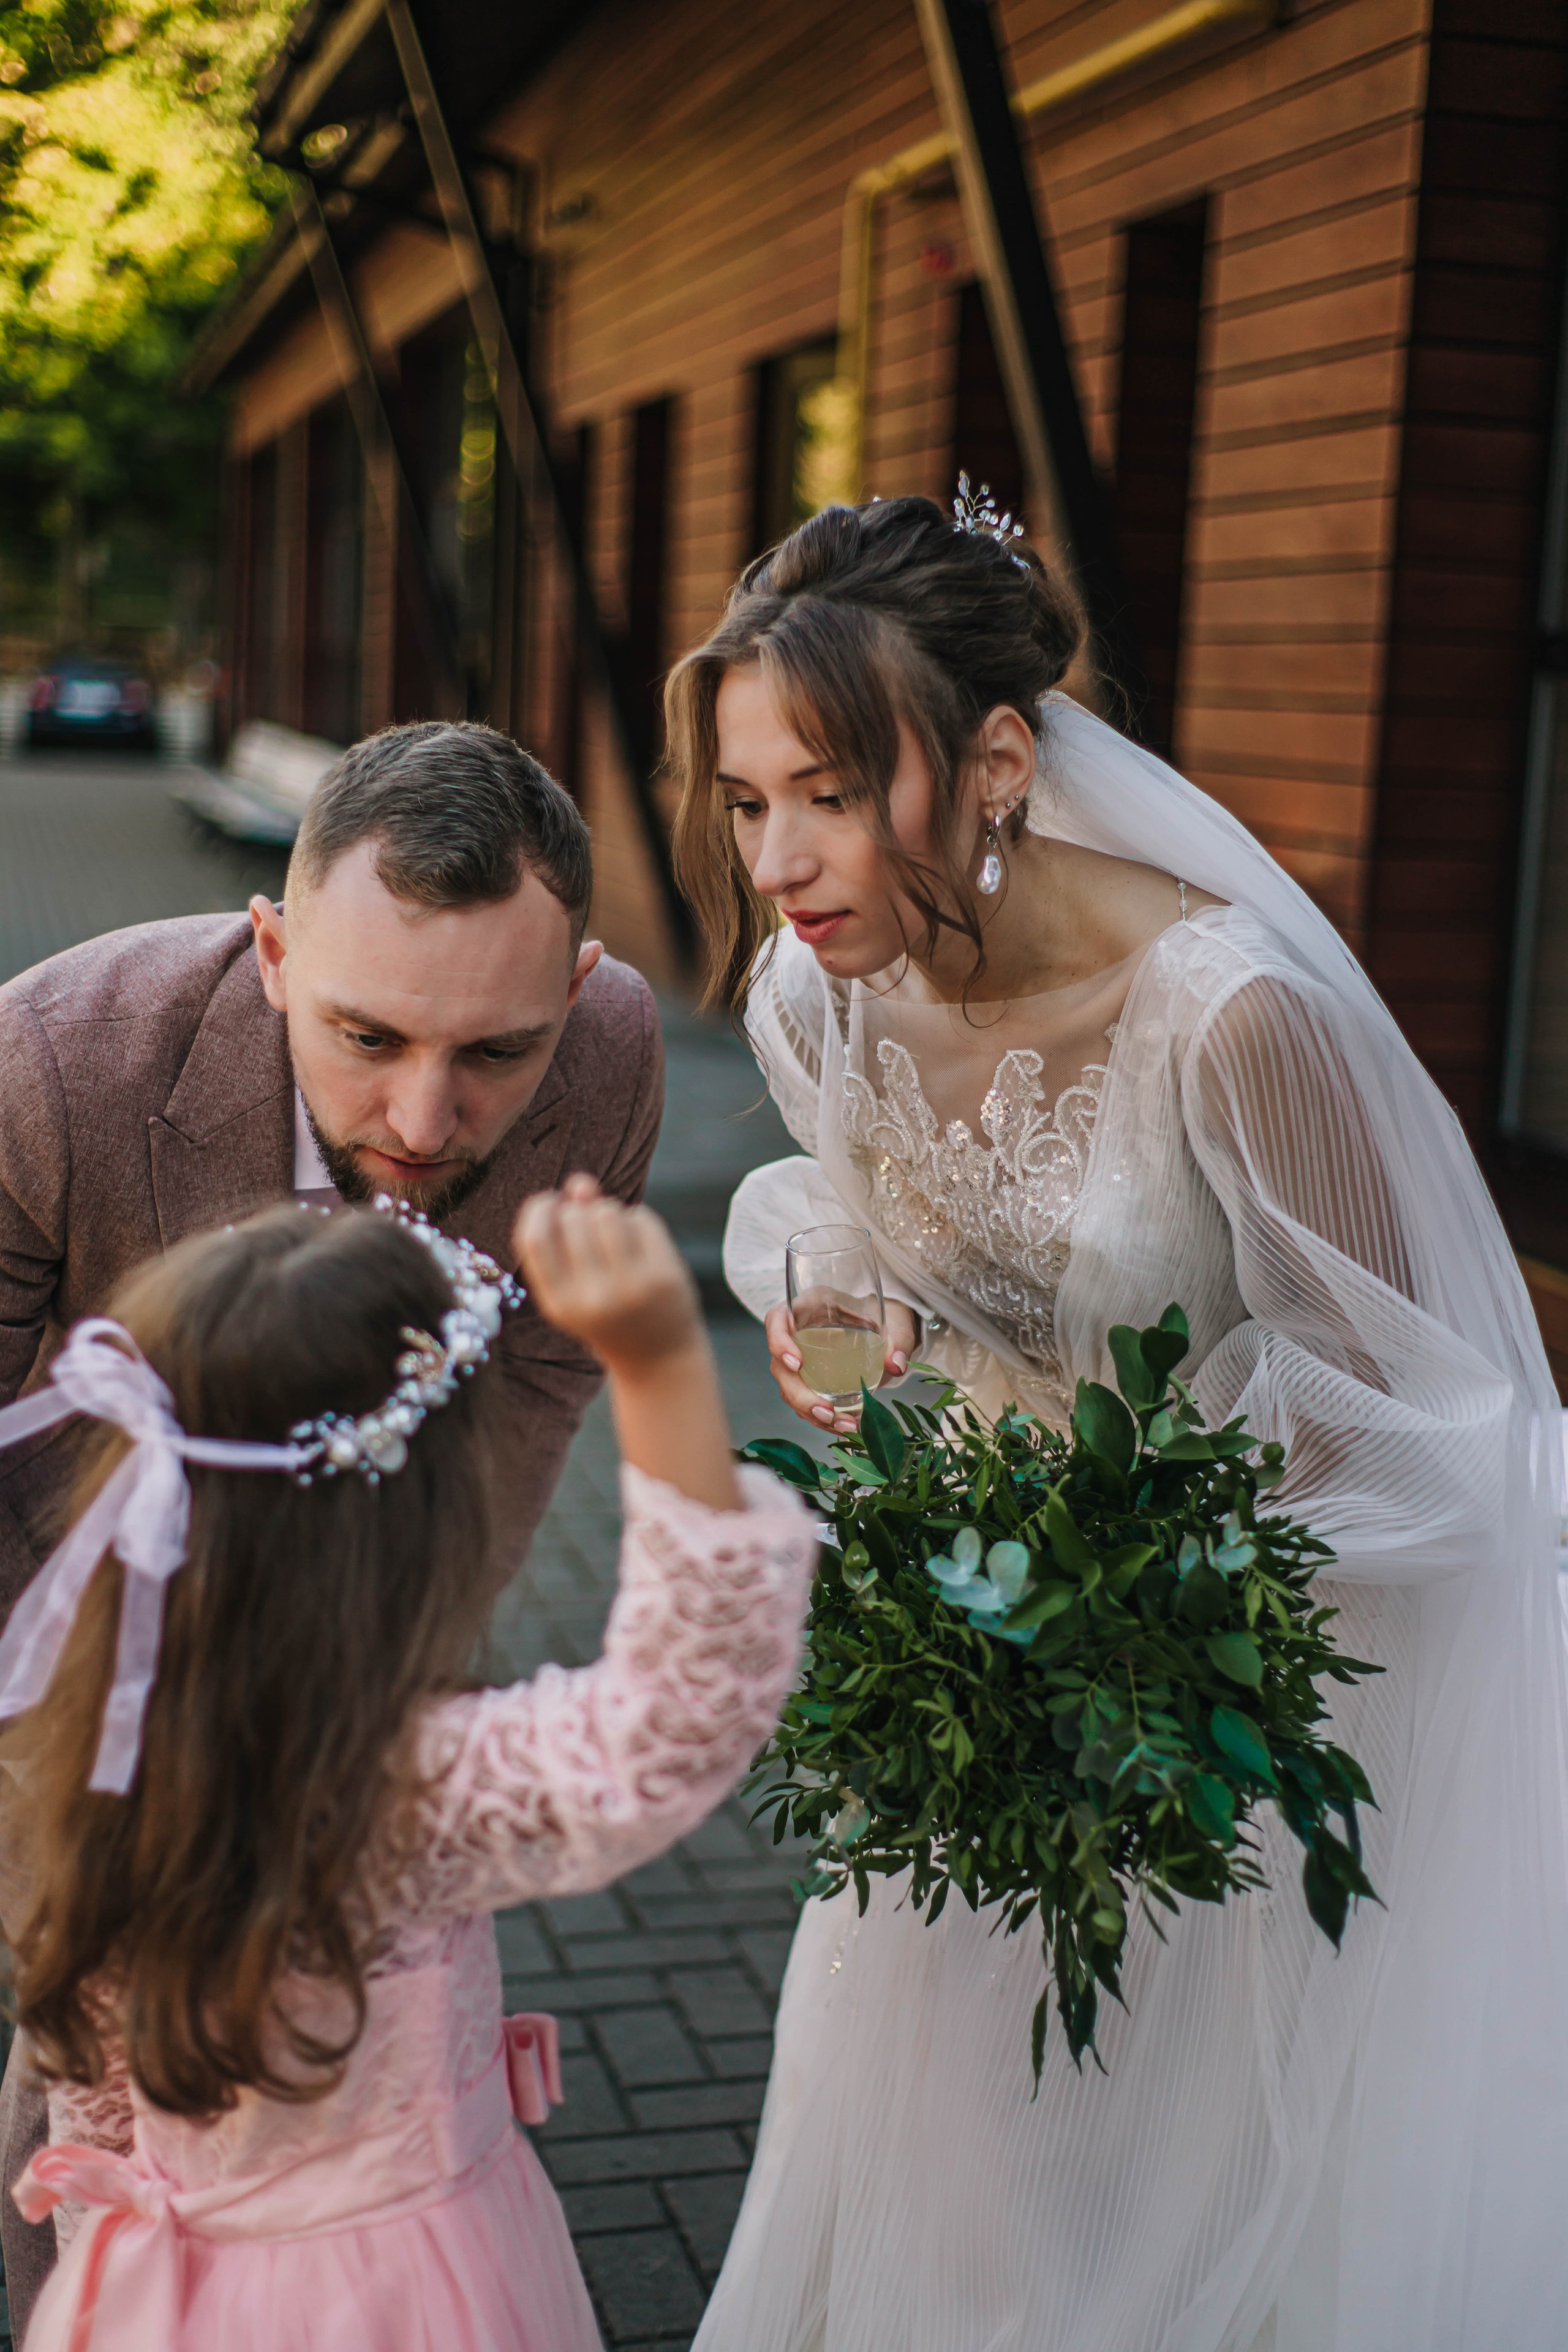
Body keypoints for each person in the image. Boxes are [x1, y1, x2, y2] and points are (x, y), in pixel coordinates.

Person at [666, 492, 1568, 2351]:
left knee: (1175, 2193)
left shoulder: (1232, 1021)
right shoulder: (815, 998)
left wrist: (1140, 1600)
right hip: (972, 1672)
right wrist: (846, 1302)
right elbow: (849, 1207)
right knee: (948, 2155)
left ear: (998, 762)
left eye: (830, 791)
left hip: (1240, 1690)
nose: (778, 861)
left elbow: (1413, 1414)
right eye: (748, 802)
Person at [0, 717, 664, 2332]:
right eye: (368, 1036)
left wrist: (386, 1671)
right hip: (65, 1646)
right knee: (72, 2072)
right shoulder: (51, 1067)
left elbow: (533, 1384)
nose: (426, 1120)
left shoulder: (614, 1051)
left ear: (574, 989)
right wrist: (67, 1746)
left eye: (496, 1053)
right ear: (275, 950)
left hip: (366, 1637)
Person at [0, 1182, 813, 2350]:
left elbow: (98, 2107)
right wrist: (662, 1365)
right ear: (420, 1530)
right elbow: (666, 1725)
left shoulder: (104, 1757)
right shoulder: (389, 1791)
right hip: (401, 2298)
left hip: (163, 2299)